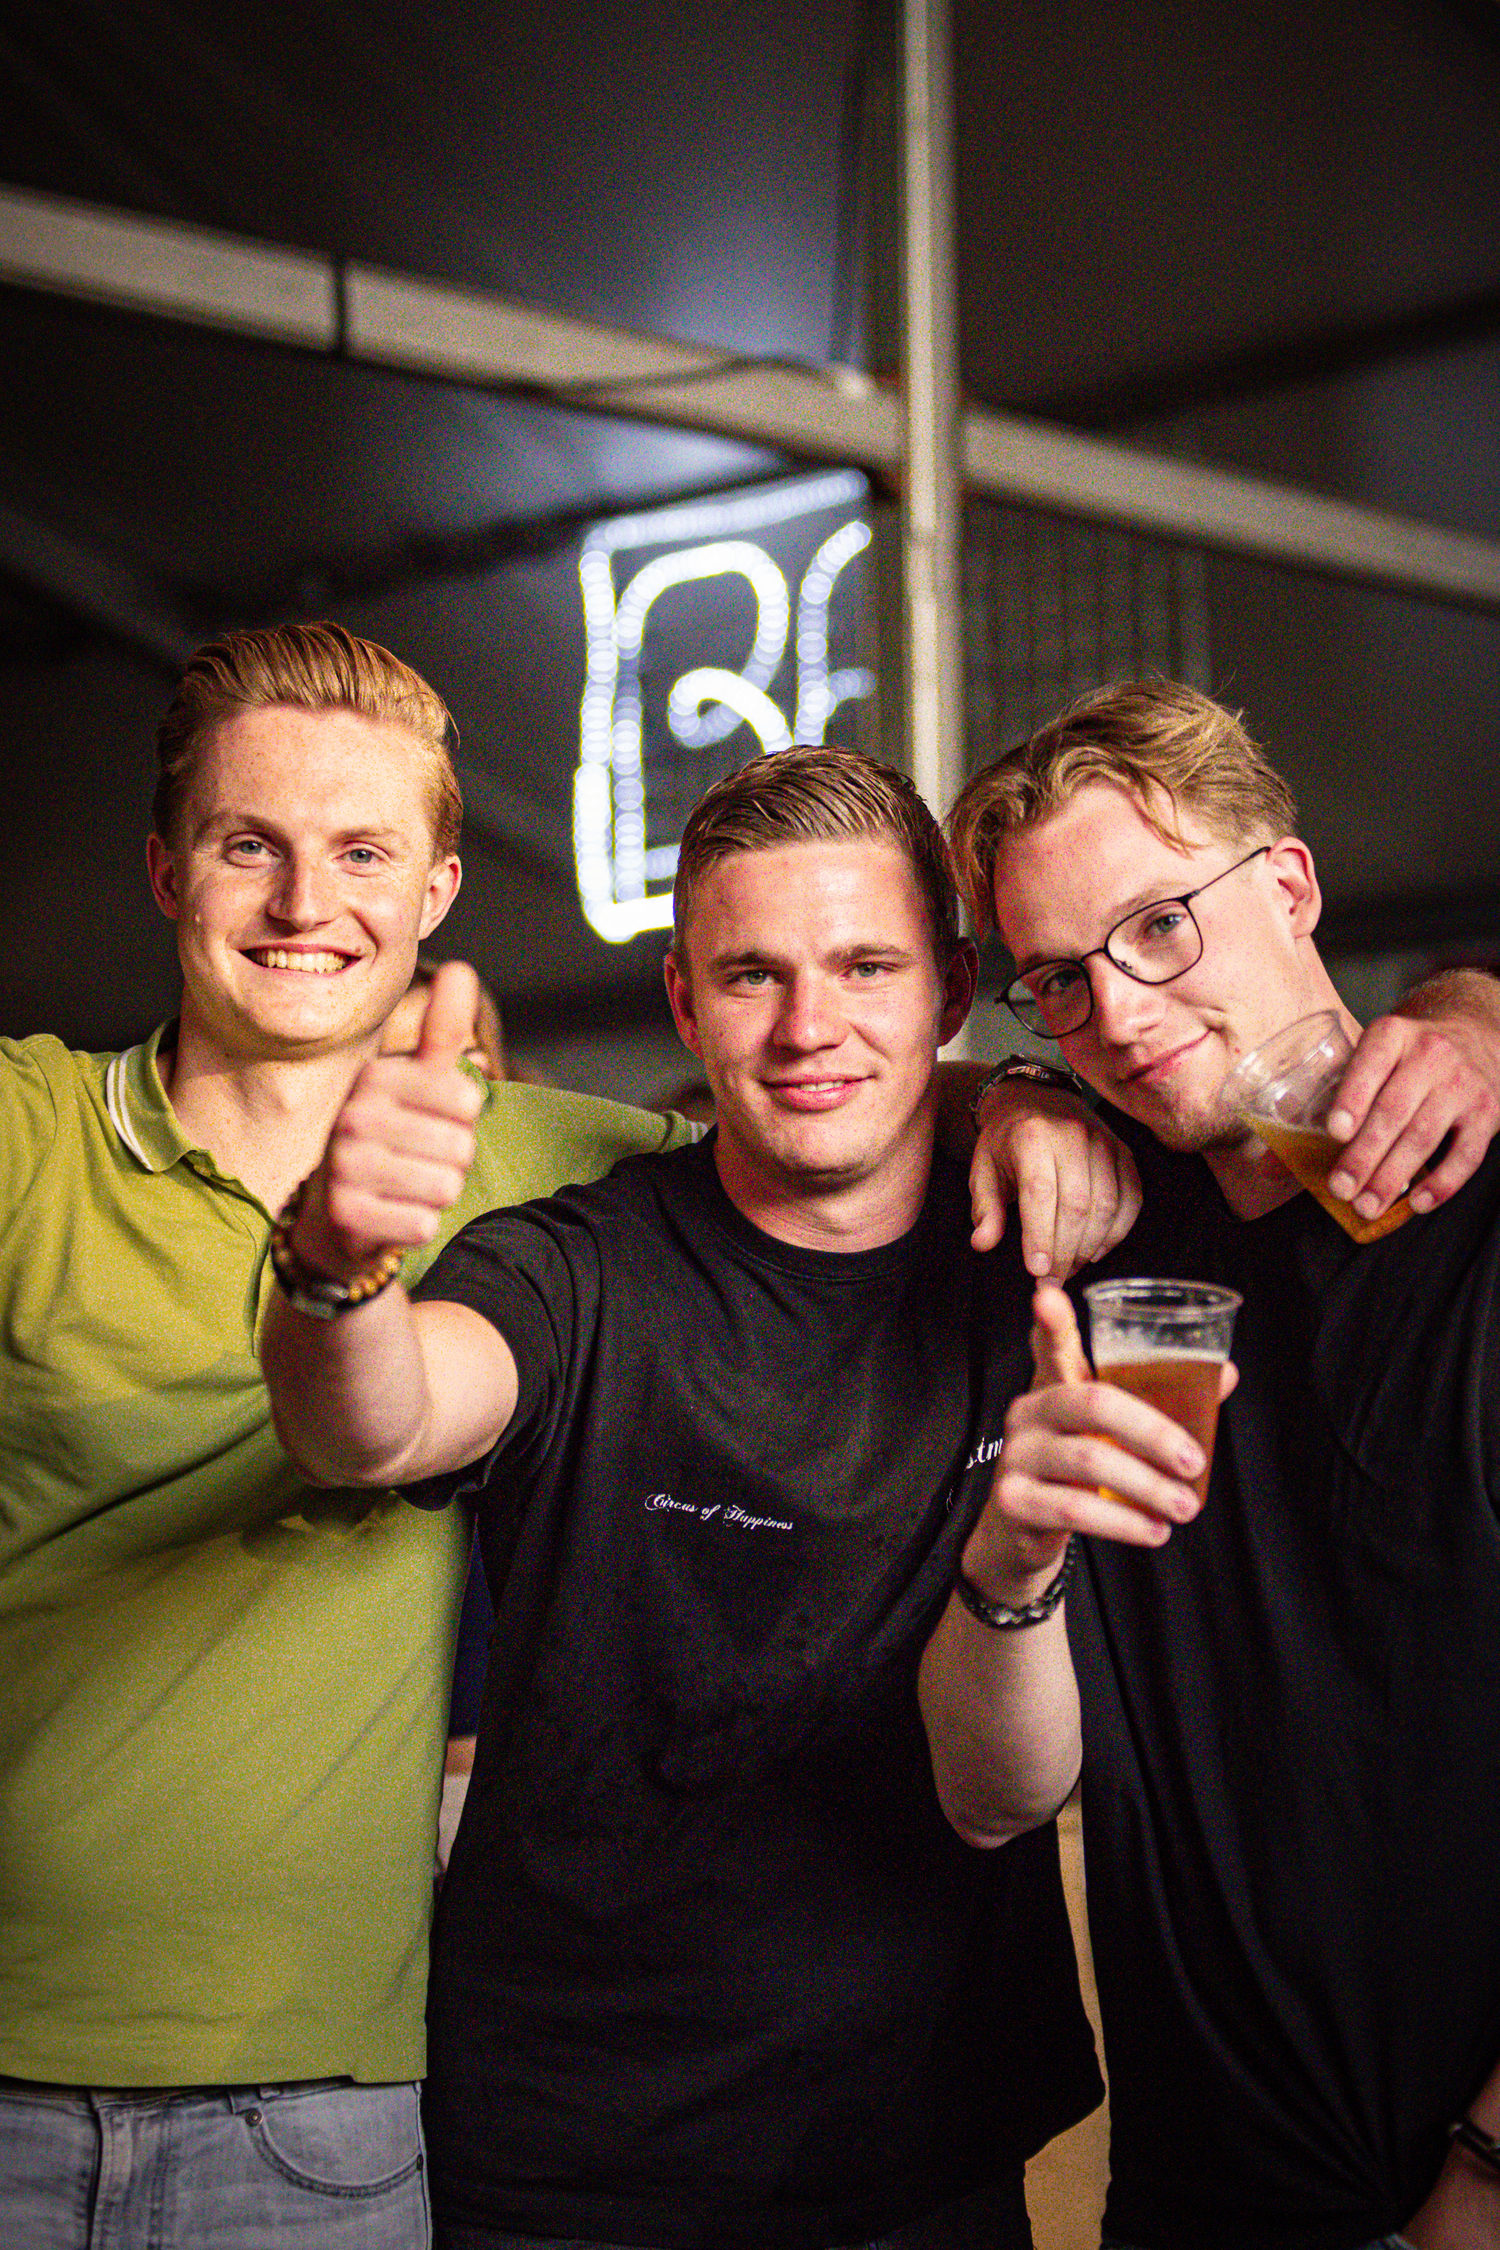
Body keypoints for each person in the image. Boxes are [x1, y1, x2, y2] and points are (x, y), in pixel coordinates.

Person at [0, 630, 1139, 2250]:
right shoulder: (567, 1232)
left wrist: (1033, 1093)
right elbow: (377, 1418)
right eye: (752, 974)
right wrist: (331, 1270)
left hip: (885, 2147)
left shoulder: (1019, 1244)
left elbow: (1003, 1791)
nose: (810, 1022)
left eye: (870, 968)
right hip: (550, 2156)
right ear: (686, 996)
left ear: (949, 990)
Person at [0, 624, 700, 2248]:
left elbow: (830, 1123)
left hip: (314, 2111)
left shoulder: (542, 1163)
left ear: (440, 891)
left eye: (364, 852)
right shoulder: (29, 1133)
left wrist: (1014, 1106)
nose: (308, 906)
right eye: (253, 845)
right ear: (168, 871)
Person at [923, 679, 1500, 2250]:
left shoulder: (1483, 1218)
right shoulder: (1110, 1241)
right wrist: (1020, 1091)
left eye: (1161, 924)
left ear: (1292, 885)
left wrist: (1487, 2175)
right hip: (1187, 2198)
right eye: (1057, 979)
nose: (1118, 1007)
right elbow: (818, 1091)